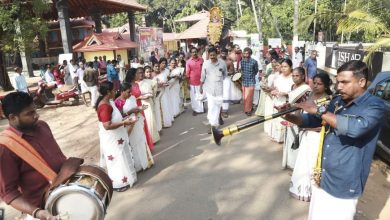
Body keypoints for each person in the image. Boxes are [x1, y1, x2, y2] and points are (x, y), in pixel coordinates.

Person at [281, 60, 384, 219]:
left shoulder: (374, 106)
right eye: (337, 82)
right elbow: (314, 121)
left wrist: (318, 109)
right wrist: (290, 116)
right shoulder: (337, 101)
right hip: (322, 175)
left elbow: (355, 129)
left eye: (345, 82)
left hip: (344, 183)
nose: (339, 87)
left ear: (362, 82)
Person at [0, 92, 67, 220]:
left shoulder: (42, 126)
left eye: (35, 110)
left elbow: (59, 156)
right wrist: (37, 212)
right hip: (41, 210)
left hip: (65, 194)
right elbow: (8, 192)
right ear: (13, 117)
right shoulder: (5, 147)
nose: (36, 115)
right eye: (29, 114)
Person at [289, 73, 332, 202]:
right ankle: (301, 190)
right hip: (306, 134)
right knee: (303, 161)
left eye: (320, 84)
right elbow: (301, 111)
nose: (316, 86)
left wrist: (309, 128)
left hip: (317, 137)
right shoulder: (309, 94)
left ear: (326, 86)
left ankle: (314, 192)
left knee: (313, 163)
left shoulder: (328, 100)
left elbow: (326, 125)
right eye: (315, 83)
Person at [95, 81, 137, 192]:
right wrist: (124, 123)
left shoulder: (109, 102)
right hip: (112, 139)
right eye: (113, 90)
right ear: (108, 92)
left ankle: (127, 178)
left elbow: (114, 118)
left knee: (122, 156)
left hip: (117, 136)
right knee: (116, 159)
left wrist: (124, 119)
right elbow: (107, 125)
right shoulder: (104, 106)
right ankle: (119, 183)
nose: (115, 92)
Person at [115, 83, 154, 171]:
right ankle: (137, 166)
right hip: (128, 126)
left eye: (131, 92)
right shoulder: (118, 102)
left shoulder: (132, 98)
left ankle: (145, 162)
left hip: (137, 122)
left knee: (141, 140)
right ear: (122, 92)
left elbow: (136, 107)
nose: (130, 94)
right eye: (128, 92)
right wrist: (130, 112)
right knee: (133, 144)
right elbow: (119, 117)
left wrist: (139, 109)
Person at [282, 67, 311, 169]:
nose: (294, 78)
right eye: (293, 76)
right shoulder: (293, 86)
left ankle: (296, 166)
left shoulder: (307, 89)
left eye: (297, 76)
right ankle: (290, 163)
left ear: (303, 76)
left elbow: (305, 105)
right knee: (289, 139)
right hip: (290, 115)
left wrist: (296, 117)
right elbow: (290, 100)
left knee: (297, 140)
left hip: (299, 117)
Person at [125, 68, 154, 151]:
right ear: (133, 75)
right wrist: (139, 98)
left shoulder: (136, 84)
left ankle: (145, 147)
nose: (139, 75)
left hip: (139, 106)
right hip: (131, 107)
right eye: (137, 74)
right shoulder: (127, 85)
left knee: (142, 126)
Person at [200, 47, 227, 131]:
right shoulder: (206, 64)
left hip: (219, 88)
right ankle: (213, 125)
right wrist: (201, 87)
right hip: (209, 89)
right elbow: (202, 76)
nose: (212, 57)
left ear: (217, 54)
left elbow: (225, 75)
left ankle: (213, 121)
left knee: (218, 106)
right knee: (211, 107)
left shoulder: (222, 63)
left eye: (213, 55)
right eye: (210, 55)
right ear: (208, 55)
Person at [270, 59, 294, 143]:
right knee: (277, 120)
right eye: (282, 67)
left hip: (287, 103)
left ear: (291, 67)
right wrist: (273, 91)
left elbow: (296, 92)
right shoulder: (279, 77)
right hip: (277, 101)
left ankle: (285, 138)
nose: (283, 69)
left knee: (285, 120)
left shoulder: (293, 78)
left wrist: (285, 94)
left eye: (286, 67)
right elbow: (275, 87)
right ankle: (277, 137)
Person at [139, 66, 160, 143]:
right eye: (140, 73)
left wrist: (152, 96)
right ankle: (145, 140)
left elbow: (155, 89)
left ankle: (153, 139)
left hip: (148, 103)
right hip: (140, 103)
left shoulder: (150, 81)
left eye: (142, 73)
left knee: (150, 120)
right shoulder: (135, 83)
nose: (141, 75)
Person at [240, 47, 259, 116]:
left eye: (247, 53)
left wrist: (251, 75)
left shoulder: (254, 62)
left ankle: (248, 110)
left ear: (250, 54)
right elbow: (241, 70)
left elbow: (256, 71)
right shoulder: (242, 61)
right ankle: (246, 109)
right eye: (244, 53)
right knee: (245, 97)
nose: (245, 55)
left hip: (251, 81)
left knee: (249, 97)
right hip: (244, 81)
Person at [186, 47, 205, 116]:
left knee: (201, 95)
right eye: (193, 52)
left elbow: (204, 70)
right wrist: (188, 83)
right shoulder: (188, 62)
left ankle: (201, 109)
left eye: (195, 51)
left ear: (197, 52)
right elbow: (187, 73)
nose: (194, 53)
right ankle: (195, 110)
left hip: (201, 81)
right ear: (191, 53)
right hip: (192, 82)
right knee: (194, 97)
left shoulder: (201, 60)